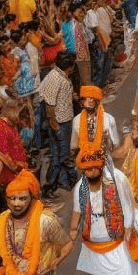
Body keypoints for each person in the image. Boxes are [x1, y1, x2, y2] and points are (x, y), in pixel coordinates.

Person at [72, 148, 138, 275]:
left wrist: (128, 228)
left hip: (119, 241)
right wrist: (72, 232)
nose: (91, 172)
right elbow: (77, 212)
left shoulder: (117, 179)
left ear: (102, 164)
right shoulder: (81, 187)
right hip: (94, 246)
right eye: (87, 170)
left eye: (94, 168)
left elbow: (128, 204)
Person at [39, 50, 78, 197]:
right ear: (68, 67)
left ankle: (59, 182)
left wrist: (73, 96)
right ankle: (73, 181)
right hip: (60, 123)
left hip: (64, 121)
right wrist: (55, 126)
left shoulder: (61, 76)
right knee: (64, 156)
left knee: (58, 156)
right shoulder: (55, 78)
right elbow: (49, 105)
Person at [69, 84, 121, 168]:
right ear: (82, 101)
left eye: (92, 98)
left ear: (97, 101)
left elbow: (116, 144)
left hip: (105, 163)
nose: (89, 101)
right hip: (84, 163)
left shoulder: (109, 119)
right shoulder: (76, 120)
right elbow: (74, 146)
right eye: (87, 98)